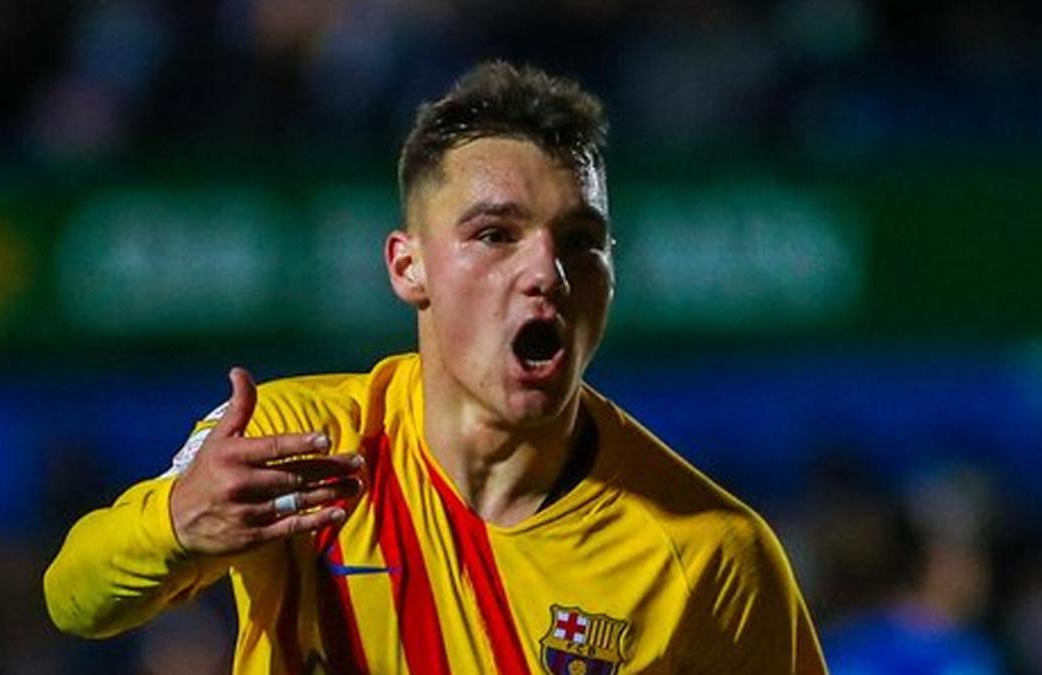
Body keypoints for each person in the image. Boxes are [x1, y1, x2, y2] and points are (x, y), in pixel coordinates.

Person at [44, 61, 828, 675]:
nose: (546, 272)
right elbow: (74, 596)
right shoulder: (296, 443)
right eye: (495, 234)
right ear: (408, 266)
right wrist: (182, 521)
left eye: (581, 240)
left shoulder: (710, 556)